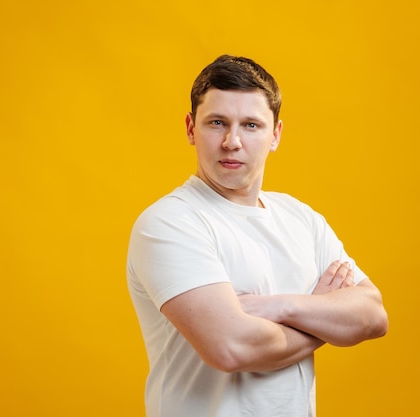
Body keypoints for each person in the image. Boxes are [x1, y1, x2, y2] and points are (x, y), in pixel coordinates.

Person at [126, 54, 388, 417]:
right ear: (190, 128)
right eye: (217, 123)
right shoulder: (170, 222)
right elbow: (232, 348)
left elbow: (373, 316)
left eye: (251, 125)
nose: (232, 141)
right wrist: (324, 318)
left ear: (275, 134)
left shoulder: (301, 218)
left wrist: (282, 306)